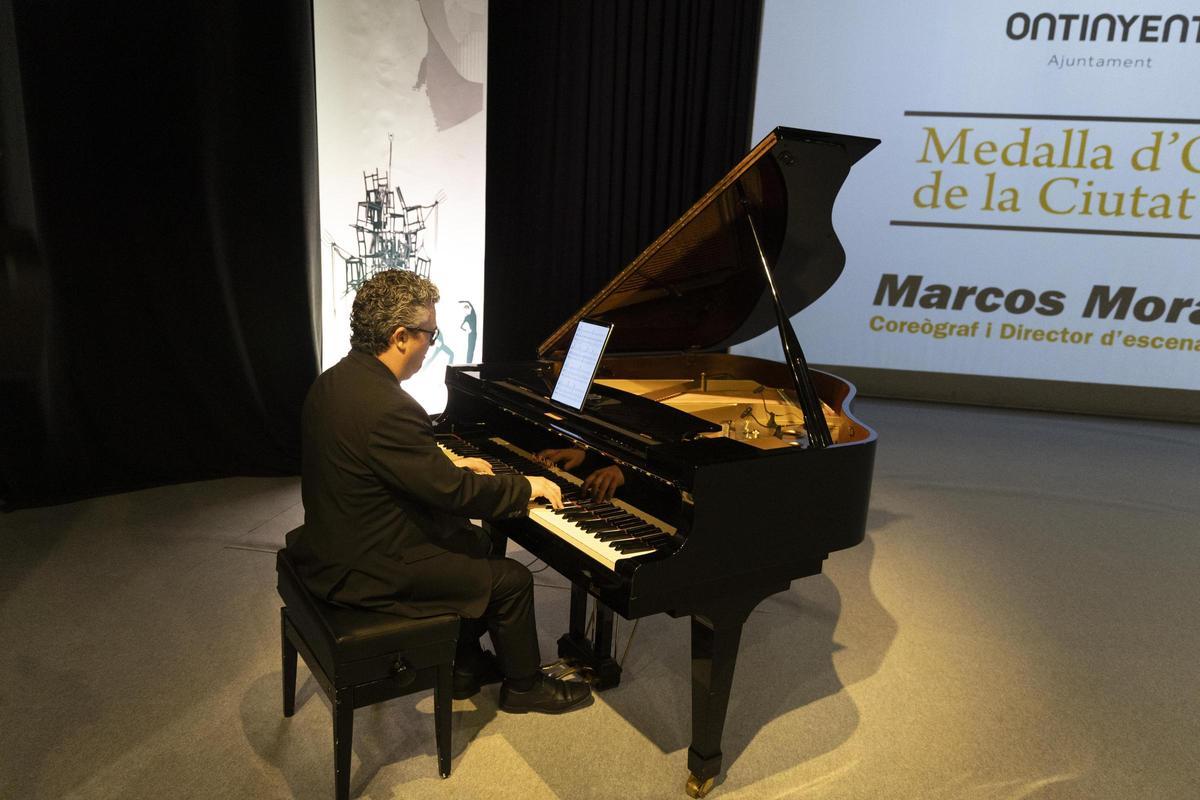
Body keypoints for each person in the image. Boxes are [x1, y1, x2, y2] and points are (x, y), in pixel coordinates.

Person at [286, 269, 592, 714]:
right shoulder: (390, 406)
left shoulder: (335, 381)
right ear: (400, 336)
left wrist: (444, 461)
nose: (433, 343)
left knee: (475, 541)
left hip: (337, 536)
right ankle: (524, 687)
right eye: (430, 333)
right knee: (512, 579)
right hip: (364, 567)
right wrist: (525, 484)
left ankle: (463, 664)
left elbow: (390, 463)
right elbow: (453, 494)